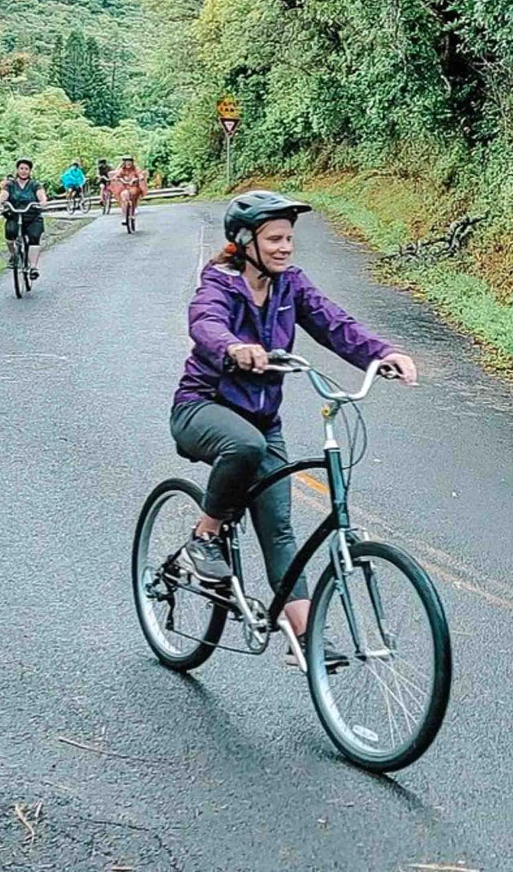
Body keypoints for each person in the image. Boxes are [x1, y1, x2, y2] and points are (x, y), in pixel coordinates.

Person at [170, 190, 418, 667]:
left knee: (279, 526)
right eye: (274, 238)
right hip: (202, 407)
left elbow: (334, 323)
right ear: (245, 241)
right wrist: (233, 348)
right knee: (245, 444)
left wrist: (383, 353)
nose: (285, 247)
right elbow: (205, 324)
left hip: (263, 419)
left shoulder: (290, 286)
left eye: (289, 238)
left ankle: (303, 635)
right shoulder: (219, 285)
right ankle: (203, 537)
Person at [0, 158, 48, 279]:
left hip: (32, 216)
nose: (24, 171)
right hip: (14, 215)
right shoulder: (10, 185)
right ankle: (14, 255)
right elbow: (4, 194)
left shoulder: (35, 184)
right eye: (21, 168)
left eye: (26, 169)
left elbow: (41, 194)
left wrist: (42, 201)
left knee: (34, 237)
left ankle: (33, 267)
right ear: (17, 170)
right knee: (10, 235)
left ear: (30, 171)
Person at [108, 155, 147, 222]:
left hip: (134, 188)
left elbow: (140, 174)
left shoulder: (135, 169)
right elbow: (116, 176)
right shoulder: (122, 170)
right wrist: (117, 179)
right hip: (125, 188)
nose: (128, 163)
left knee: (133, 197)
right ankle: (125, 216)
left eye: (130, 162)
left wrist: (139, 178)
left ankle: (132, 214)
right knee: (123, 197)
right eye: (127, 162)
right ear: (124, 163)